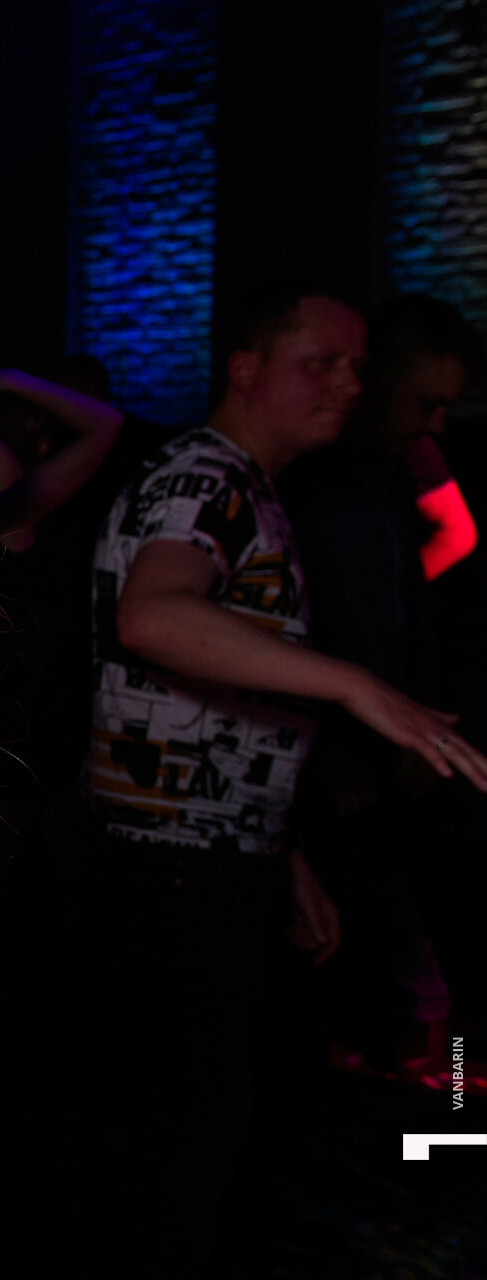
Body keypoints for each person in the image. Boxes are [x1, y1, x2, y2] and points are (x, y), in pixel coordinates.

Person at [82, 282, 487, 1277]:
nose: (349, 383)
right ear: (247, 368)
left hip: (215, 848)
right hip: (173, 865)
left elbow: (218, 697)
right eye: (322, 363)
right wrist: (355, 684)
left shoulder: (247, 483)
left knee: (212, 1127)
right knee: (186, 1141)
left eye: (356, 366)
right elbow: (152, 615)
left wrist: (282, 850)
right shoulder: (206, 476)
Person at [281, 295, 484, 1081]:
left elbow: (405, 609)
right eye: (424, 401)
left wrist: (410, 718)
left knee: (415, 967)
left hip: (388, 762)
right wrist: (328, 750)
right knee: (319, 971)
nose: (435, 423)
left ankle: (439, 1110)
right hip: (319, 776)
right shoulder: (301, 482)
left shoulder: (396, 477)